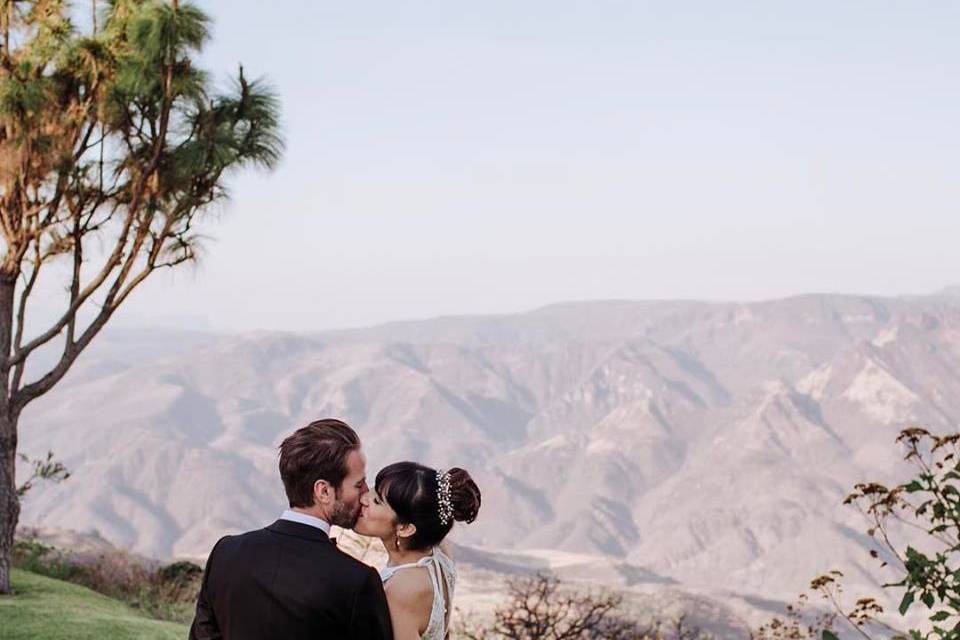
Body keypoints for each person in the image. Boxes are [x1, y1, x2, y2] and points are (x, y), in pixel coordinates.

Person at [189, 418, 393, 640]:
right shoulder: (357, 581)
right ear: (324, 491)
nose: (365, 493)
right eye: (359, 484)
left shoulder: (225, 553)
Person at [354, 461, 482, 640]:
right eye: (374, 489)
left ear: (405, 528)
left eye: (376, 501)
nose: (363, 498)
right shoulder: (439, 549)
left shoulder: (402, 590)